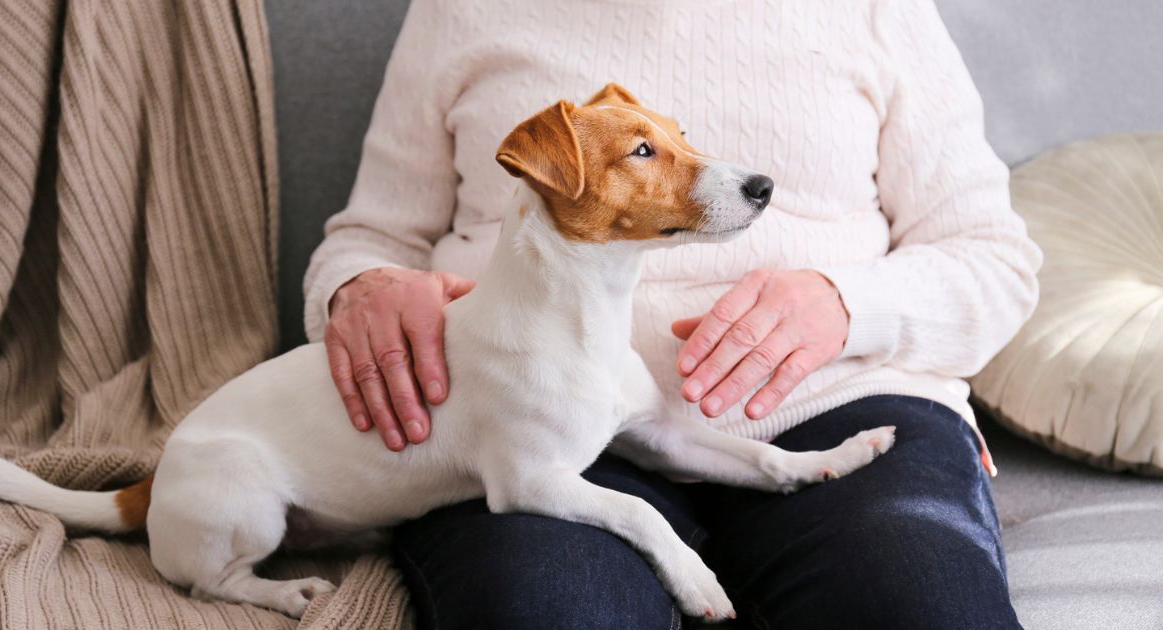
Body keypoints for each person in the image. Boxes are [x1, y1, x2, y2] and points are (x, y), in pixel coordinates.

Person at [303, 0, 1041, 627]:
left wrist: (845, 305)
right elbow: (372, 238)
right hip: (536, 428)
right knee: (545, 610)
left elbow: (993, 259)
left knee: (920, 603)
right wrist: (362, 288)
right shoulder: (461, 10)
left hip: (839, 404)